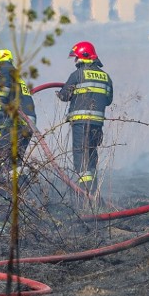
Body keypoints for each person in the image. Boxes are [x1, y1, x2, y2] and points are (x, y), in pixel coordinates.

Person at [57, 41, 113, 198]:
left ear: (83, 57)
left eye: (76, 58)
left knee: (81, 160)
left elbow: (64, 96)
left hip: (81, 124)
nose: (75, 61)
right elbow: (108, 100)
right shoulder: (106, 77)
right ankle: (94, 193)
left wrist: (63, 94)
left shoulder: (77, 75)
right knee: (92, 158)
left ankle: (84, 196)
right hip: (97, 125)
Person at [0, 49, 37, 181]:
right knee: (15, 160)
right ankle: (21, 185)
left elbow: (5, 89)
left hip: (19, 121)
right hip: (27, 121)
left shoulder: (6, 69)